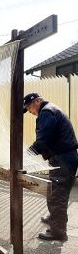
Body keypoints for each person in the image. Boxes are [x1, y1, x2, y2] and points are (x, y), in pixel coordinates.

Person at [23, 93, 78, 241]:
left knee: (58, 194)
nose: (29, 111)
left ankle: (58, 232)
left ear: (38, 101)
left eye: (29, 107)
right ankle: (55, 218)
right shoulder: (50, 110)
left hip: (63, 159)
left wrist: (25, 156)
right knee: (54, 190)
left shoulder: (46, 112)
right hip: (63, 158)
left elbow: (42, 142)